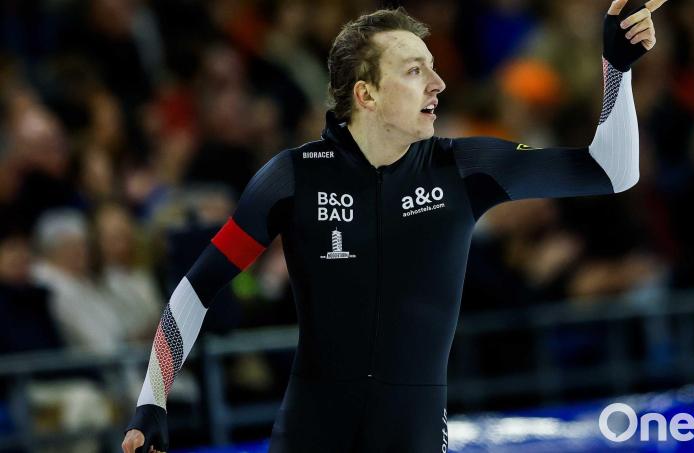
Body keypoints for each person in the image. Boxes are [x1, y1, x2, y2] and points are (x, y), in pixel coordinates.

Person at [123, 1, 665, 451]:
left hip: (416, 436)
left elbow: (611, 172)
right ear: (367, 95)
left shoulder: (464, 168)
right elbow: (196, 289)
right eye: (414, 70)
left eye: (432, 66)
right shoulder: (290, 178)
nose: (439, 82)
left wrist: (616, 67)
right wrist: (152, 398)